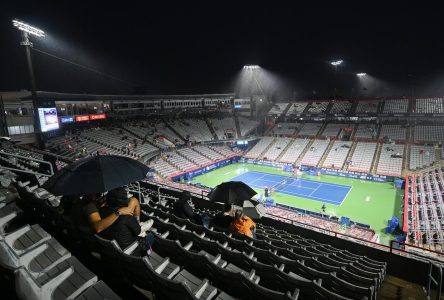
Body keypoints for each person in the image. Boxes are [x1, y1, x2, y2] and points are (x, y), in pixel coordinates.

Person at [98, 188, 154, 256]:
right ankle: (147, 255)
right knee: (150, 236)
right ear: (124, 199)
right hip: (127, 249)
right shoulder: (127, 216)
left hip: (109, 248)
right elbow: (138, 231)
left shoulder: (101, 212)